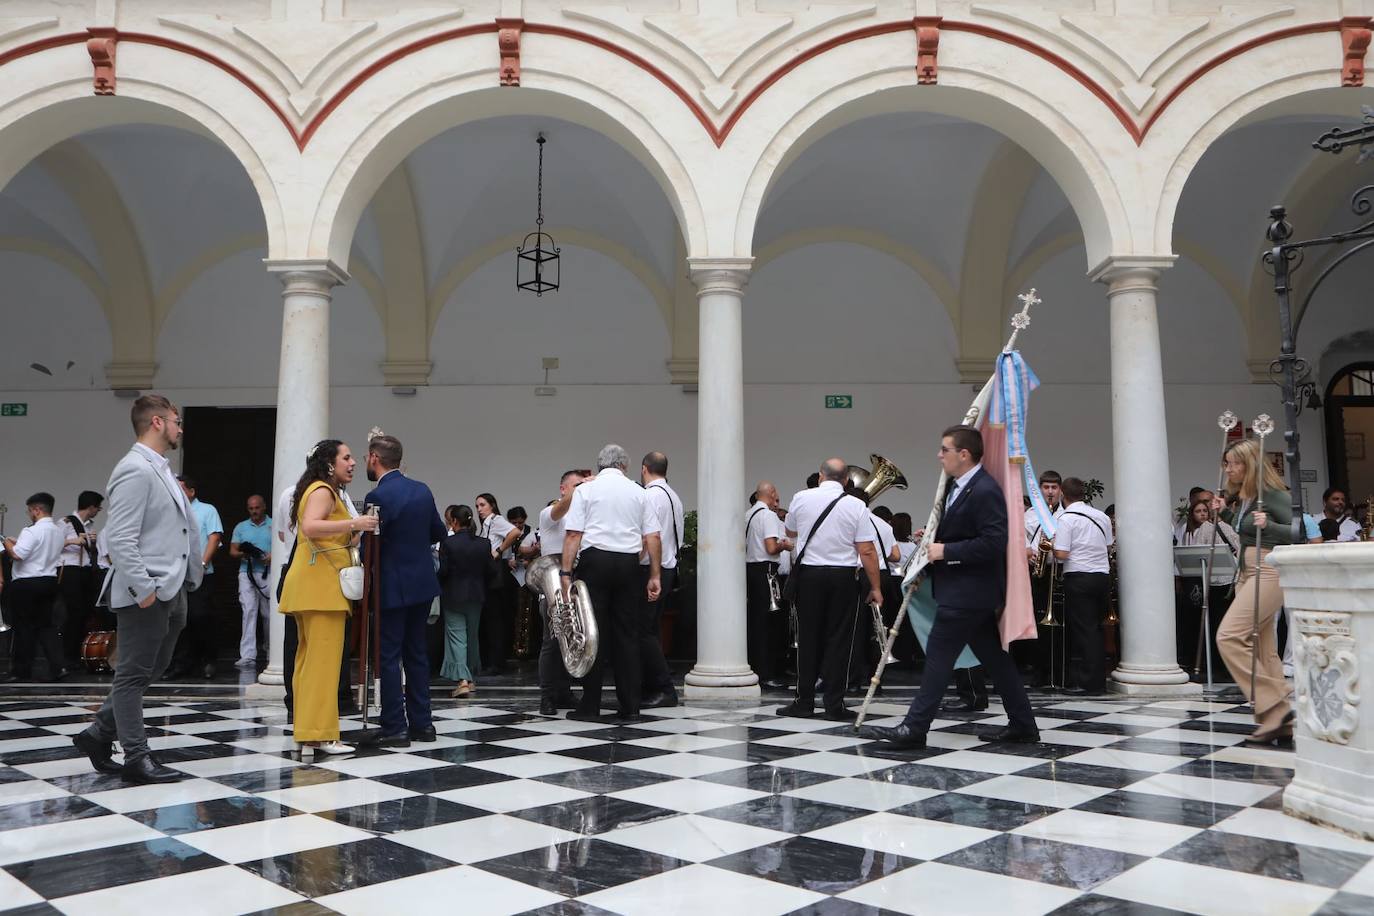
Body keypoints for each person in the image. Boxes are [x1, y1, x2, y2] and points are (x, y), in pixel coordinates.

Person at [863, 425, 1039, 750]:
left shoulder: (984, 489)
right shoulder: (957, 487)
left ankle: (914, 729)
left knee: (938, 659)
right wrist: (927, 566)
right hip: (965, 590)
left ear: (964, 454)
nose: (938, 455)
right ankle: (1023, 724)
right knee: (996, 661)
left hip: (967, 593)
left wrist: (947, 552)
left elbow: (995, 542)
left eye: (944, 449)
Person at [72, 394, 203, 784]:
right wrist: (144, 587)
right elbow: (121, 537)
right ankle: (136, 756)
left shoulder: (160, 468)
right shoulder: (134, 469)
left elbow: (180, 528)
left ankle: (97, 735)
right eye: (176, 420)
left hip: (172, 587)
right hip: (147, 589)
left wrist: (188, 578)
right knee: (131, 676)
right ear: (157, 423)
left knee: (155, 667)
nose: (181, 427)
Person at [278, 439, 378, 759]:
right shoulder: (323, 490)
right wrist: (356, 522)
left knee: (308, 664)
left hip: (310, 586)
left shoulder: (319, 489)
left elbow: (323, 531)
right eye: (346, 458)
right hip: (320, 588)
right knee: (323, 666)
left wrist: (353, 531)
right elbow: (310, 527)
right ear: (329, 463)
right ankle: (319, 735)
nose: (352, 463)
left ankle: (307, 733)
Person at [357, 434, 447, 747]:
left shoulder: (377, 496)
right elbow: (438, 532)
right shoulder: (422, 490)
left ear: (374, 458)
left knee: (388, 655)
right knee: (417, 654)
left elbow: (369, 546)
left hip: (391, 586)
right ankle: (423, 725)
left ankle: (395, 725)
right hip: (422, 583)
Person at [561, 443, 662, 722]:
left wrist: (566, 574)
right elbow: (652, 537)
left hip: (595, 562)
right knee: (627, 636)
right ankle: (630, 705)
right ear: (624, 466)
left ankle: (590, 706)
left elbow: (572, 534)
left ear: (601, 464)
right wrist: (654, 575)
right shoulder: (639, 492)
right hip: (629, 565)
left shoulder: (586, 490)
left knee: (593, 634)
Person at [779, 458, 882, 722]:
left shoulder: (801, 498)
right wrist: (876, 587)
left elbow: (790, 530)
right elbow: (867, 550)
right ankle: (834, 704)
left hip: (809, 576)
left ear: (821, 476)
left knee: (808, 638)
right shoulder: (857, 505)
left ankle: (804, 701)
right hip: (843, 577)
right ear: (846, 481)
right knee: (840, 639)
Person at [1214, 437, 1296, 745]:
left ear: (1250, 466)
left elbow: (1302, 531)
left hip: (1268, 570)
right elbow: (1247, 531)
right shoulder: (1247, 497)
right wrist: (1224, 514)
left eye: (1235, 463)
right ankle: (1277, 721)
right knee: (1264, 649)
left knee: (1229, 636)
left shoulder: (1273, 495)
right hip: (1249, 572)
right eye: (1228, 463)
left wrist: (1271, 528)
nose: (1229, 469)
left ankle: (1275, 697)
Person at [1052, 477, 1115, 695]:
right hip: (1101, 577)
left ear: (1063, 494)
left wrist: (1051, 545)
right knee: (1095, 628)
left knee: (1084, 631)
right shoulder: (1101, 516)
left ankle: (1089, 683)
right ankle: (1098, 680)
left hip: (1078, 577)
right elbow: (1108, 545)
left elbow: (1061, 554)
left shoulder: (1066, 519)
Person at [536, 470, 588, 715]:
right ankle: (546, 696)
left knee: (573, 641)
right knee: (551, 642)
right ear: (563, 489)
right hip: (552, 588)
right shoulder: (549, 513)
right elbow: (559, 512)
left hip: (573, 585)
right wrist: (582, 487)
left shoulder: (582, 514)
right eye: (575, 485)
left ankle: (564, 692)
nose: (580, 489)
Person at [2, 493, 69, 682]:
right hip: (49, 581)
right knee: (47, 626)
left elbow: (17, 555)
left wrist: (5, 539)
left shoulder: (31, 531)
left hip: (27, 583)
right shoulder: (57, 531)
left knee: (24, 627)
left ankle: (21, 671)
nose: (29, 514)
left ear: (37, 510)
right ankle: (59, 667)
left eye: (30, 510)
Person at [165, 475, 223, 679]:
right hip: (177, 575)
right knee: (179, 619)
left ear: (191, 492)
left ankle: (208, 660)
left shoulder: (207, 510)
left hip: (202, 575)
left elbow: (214, 538)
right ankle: (180, 663)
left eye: (181, 489)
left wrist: (203, 564)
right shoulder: (172, 512)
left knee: (201, 617)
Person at [639, 451, 684, 708]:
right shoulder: (672, 496)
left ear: (645, 469)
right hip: (668, 568)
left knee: (644, 631)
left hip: (653, 569)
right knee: (651, 629)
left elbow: (649, 536)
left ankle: (665, 689)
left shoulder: (650, 495)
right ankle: (652, 686)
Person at [438, 504, 488, 698]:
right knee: (472, 636)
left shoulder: (448, 544)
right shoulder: (484, 544)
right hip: (477, 596)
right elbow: (490, 569)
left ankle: (462, 680)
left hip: (453, 595)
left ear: (455, 522)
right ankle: (472, 677)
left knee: (457, 636)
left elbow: (443, 571)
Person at [745, 481, 791, 689]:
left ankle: (756, 668)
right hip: (767, 572)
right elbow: (771, 548)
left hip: (751, 570)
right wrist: (786, 544)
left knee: (756, 622)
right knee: (769, 625)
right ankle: (767, 673)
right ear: (771, 494)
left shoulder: (748, 514)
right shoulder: (769, 516)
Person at [476, 492, 521, 675]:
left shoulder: (496, 520)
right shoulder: (486, 525)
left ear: (492, 505)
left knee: (495, 618)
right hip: (489, 572)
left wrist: (499, 550)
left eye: (482, 505)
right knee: (491, 617)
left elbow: (515, 532)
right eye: (477, 506)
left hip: (496, 571)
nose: (479, 509)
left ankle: (497, 661)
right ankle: (493, 659)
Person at [57, 490, 104, 667]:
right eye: (97, 508)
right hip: (69, 570)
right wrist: (72, 541)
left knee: (84, 612)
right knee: (73, 612)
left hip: (84, 571)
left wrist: (92, 542)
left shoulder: (89, 525)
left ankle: (78, 651)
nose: (98, 512)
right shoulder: (65, 523)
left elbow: (90, 550)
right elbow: (52, 544)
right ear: (91, 507)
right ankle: (68, 654)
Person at [229, 494, 273, 670]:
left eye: (257, 508)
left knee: (269, 614)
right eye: (251, 508)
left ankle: (271, 651)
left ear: (264, 507)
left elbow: (284, 544)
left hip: (268, 573)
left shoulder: (273, 524)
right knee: (249, 612)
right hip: (246, 574)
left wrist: (272, 556)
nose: (254, 511)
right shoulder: (241, 527)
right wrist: (245, 554)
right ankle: (247, 655)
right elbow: (233, 551)